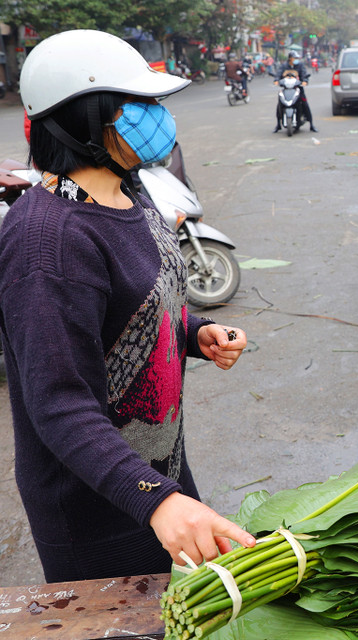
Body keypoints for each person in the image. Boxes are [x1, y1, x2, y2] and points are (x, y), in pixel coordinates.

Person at [0, 29, 257, 582]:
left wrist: (194, 331)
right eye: (136, 104)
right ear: (81, 118)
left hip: (158, 473)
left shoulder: (130, 190)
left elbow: (139, 303)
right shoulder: (48, 241)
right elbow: (61, 404)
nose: (156, 116)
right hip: (97, 509)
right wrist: (156, 501)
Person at [273, 51, 317, 132]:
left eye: (297, 58)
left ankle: (311, 125)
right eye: (295, 58)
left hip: (298, 88)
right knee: (280, 104)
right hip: (286, 89)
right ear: (290, 58)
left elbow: (304, 74)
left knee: (305, 104)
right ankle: (278, 125)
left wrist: (305, 81)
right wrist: (276, 80)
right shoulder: (284, 66)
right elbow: (278, 74)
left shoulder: (300, 65)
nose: (296, 59)